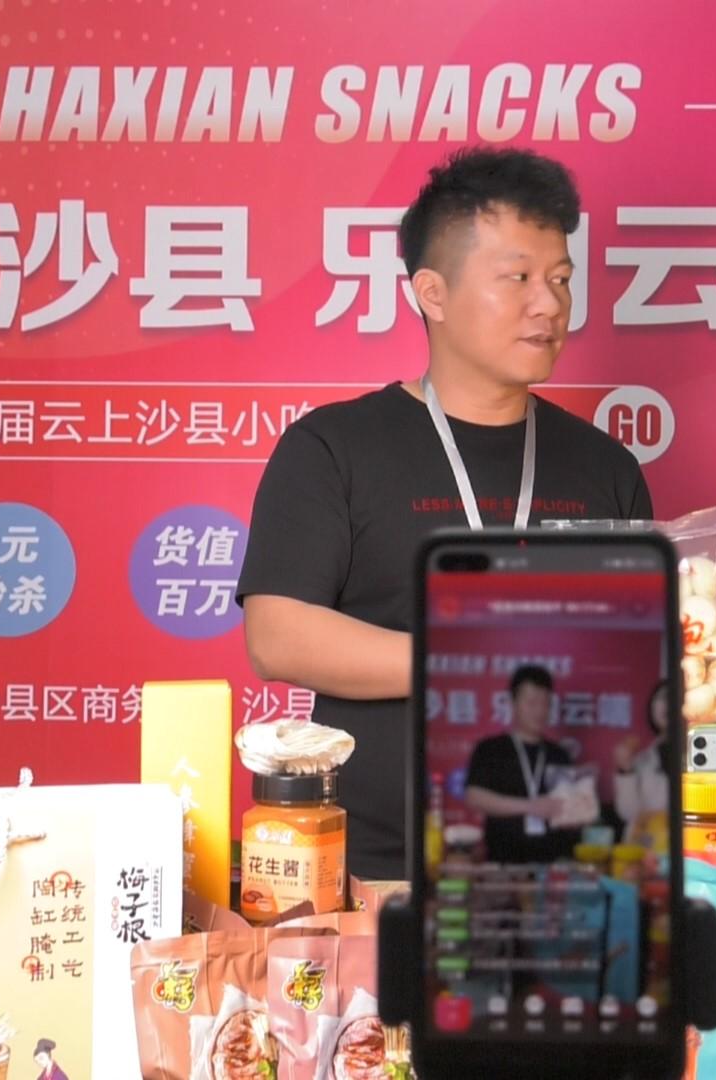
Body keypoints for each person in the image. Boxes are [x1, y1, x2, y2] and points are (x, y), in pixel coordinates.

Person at [238, 147, 654, 879]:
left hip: (569, 866)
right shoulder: (333, 448)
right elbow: (278, 636)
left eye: (561, 279)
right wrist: (471, 662)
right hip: (371, 869)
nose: (549, 304)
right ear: (432, 292)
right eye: (518, 278)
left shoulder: (606, 467)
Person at [463, 666, 583, 864]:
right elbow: (474, 797)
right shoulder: (490, 749)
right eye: (532, 702)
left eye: (546, 703)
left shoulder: (559, 754)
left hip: (553, 864)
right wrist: (530, 806)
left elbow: (569, 809)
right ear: (513, 703)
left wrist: (576, 814)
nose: (540, 711)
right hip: (503, 863)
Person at [612, 679, 671, 843]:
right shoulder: (642, 760)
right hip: (646, 850)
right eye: (662, 697)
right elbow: (628, 813)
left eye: (675, 696)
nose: (668, 703)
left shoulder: (702, 755)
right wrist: (625, 770)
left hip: (690, 848)